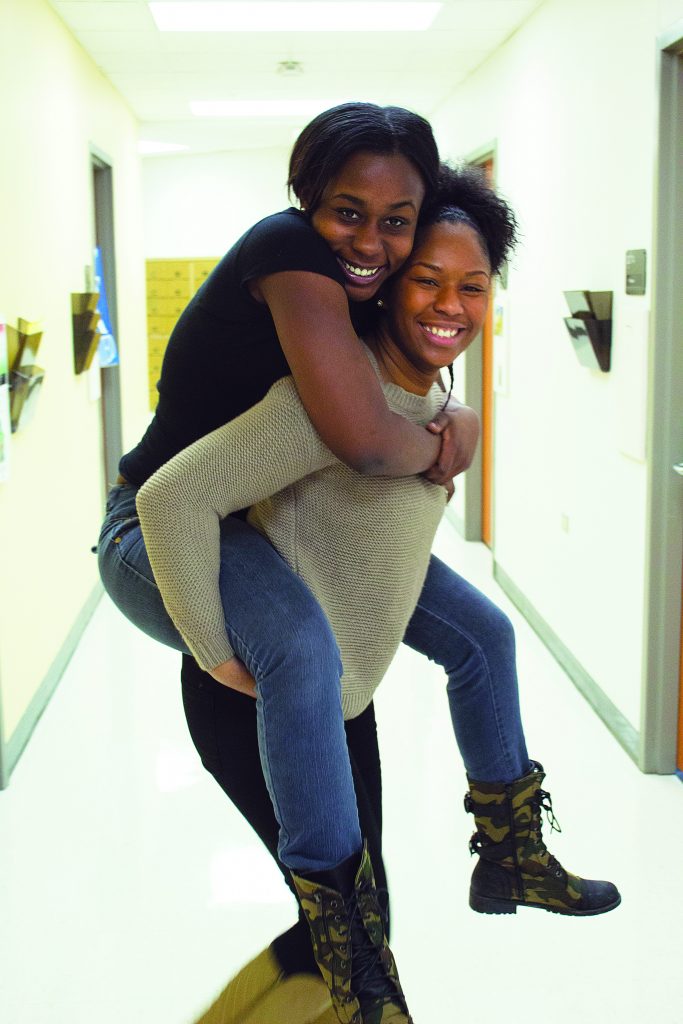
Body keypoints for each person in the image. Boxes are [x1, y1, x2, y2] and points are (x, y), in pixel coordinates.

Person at [113, 165, 619, 1024]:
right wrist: (213, 648)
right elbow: (168, 498)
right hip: (256, 687)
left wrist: (455, 426)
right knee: (345, 930)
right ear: (384, 289)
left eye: (472, 285)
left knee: (483, 636)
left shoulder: (426, 397)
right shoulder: (324, 405)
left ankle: (510, 854)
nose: (448, 305)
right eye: (425, 279)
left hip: (333, 682)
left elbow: (384, 546)